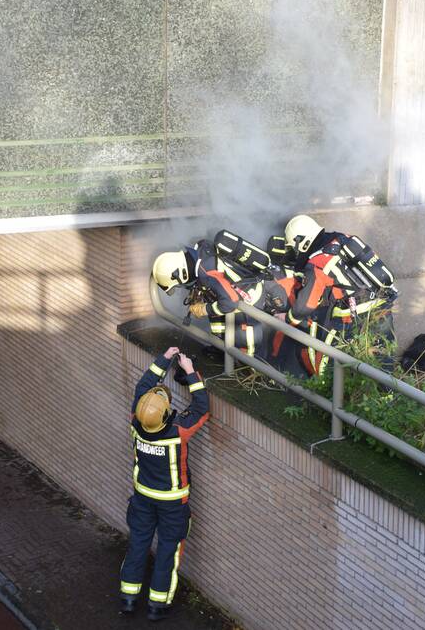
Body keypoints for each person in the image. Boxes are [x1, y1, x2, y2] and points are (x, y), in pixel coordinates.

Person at [119, 346, 209, 621]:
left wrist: (163, 360)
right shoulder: (178, 432)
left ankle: (128, 598)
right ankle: (158, 605)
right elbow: (202, 408)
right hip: (172, 504)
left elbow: (142, 387)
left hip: (142, 498)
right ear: (166, 414)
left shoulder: (136, 420)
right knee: (168, 551)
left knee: (138, 544)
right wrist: (190, 371)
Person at [282, 214, 398, 376]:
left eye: (294, 249)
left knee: (327, 361)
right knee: (383, 355)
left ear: (301, 242)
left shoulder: (319, 262)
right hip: (381, 304)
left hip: (351, 316)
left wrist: (287, 319)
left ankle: (329, 396)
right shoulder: (343, 239)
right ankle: (387, 397)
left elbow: (305, 306)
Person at [152, 240, 265, 358]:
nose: (181, 287)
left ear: (182, 273)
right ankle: (221, 346)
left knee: (245, 335)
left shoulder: (206, 273)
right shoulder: (199, 255)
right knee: (213, 307)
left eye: (178, 284)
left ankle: (250, 364)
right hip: (233, 292)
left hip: (248, 298)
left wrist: (204, 309)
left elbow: (230, 304)